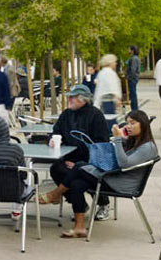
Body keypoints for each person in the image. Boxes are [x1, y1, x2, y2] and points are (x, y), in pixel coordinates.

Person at [38, 85, 117, 238]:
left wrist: (80, 164)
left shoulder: (95, 115)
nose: (68, 99)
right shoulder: (66, 114)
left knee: (79, 174)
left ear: (83, 99)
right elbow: (55, 131)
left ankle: (103, 203)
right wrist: (52, 141)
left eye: (72, 97)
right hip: (69, 158)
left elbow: (101, 144)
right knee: (56, 169)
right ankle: (80, 205)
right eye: (69, 96)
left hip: (92, 161)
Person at [92, 53, 121, 118]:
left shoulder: (103, 72)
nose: (116, 64)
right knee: (110, 120)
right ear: (110, 62)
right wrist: (117, 98)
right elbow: (111, 87)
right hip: (108, 101)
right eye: (114, 62)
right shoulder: (109, 73)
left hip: (105, 101)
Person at [124, 46, 143, 113]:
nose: (128, 50)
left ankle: (134, 109)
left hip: (132, 79)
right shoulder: (132, 58)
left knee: (133, 94)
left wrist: (128, 76)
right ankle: (134, 109)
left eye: (129, 49)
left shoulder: (134, 58)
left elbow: (133, 70)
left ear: (132, 50)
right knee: (132, 94)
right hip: (132, 78)